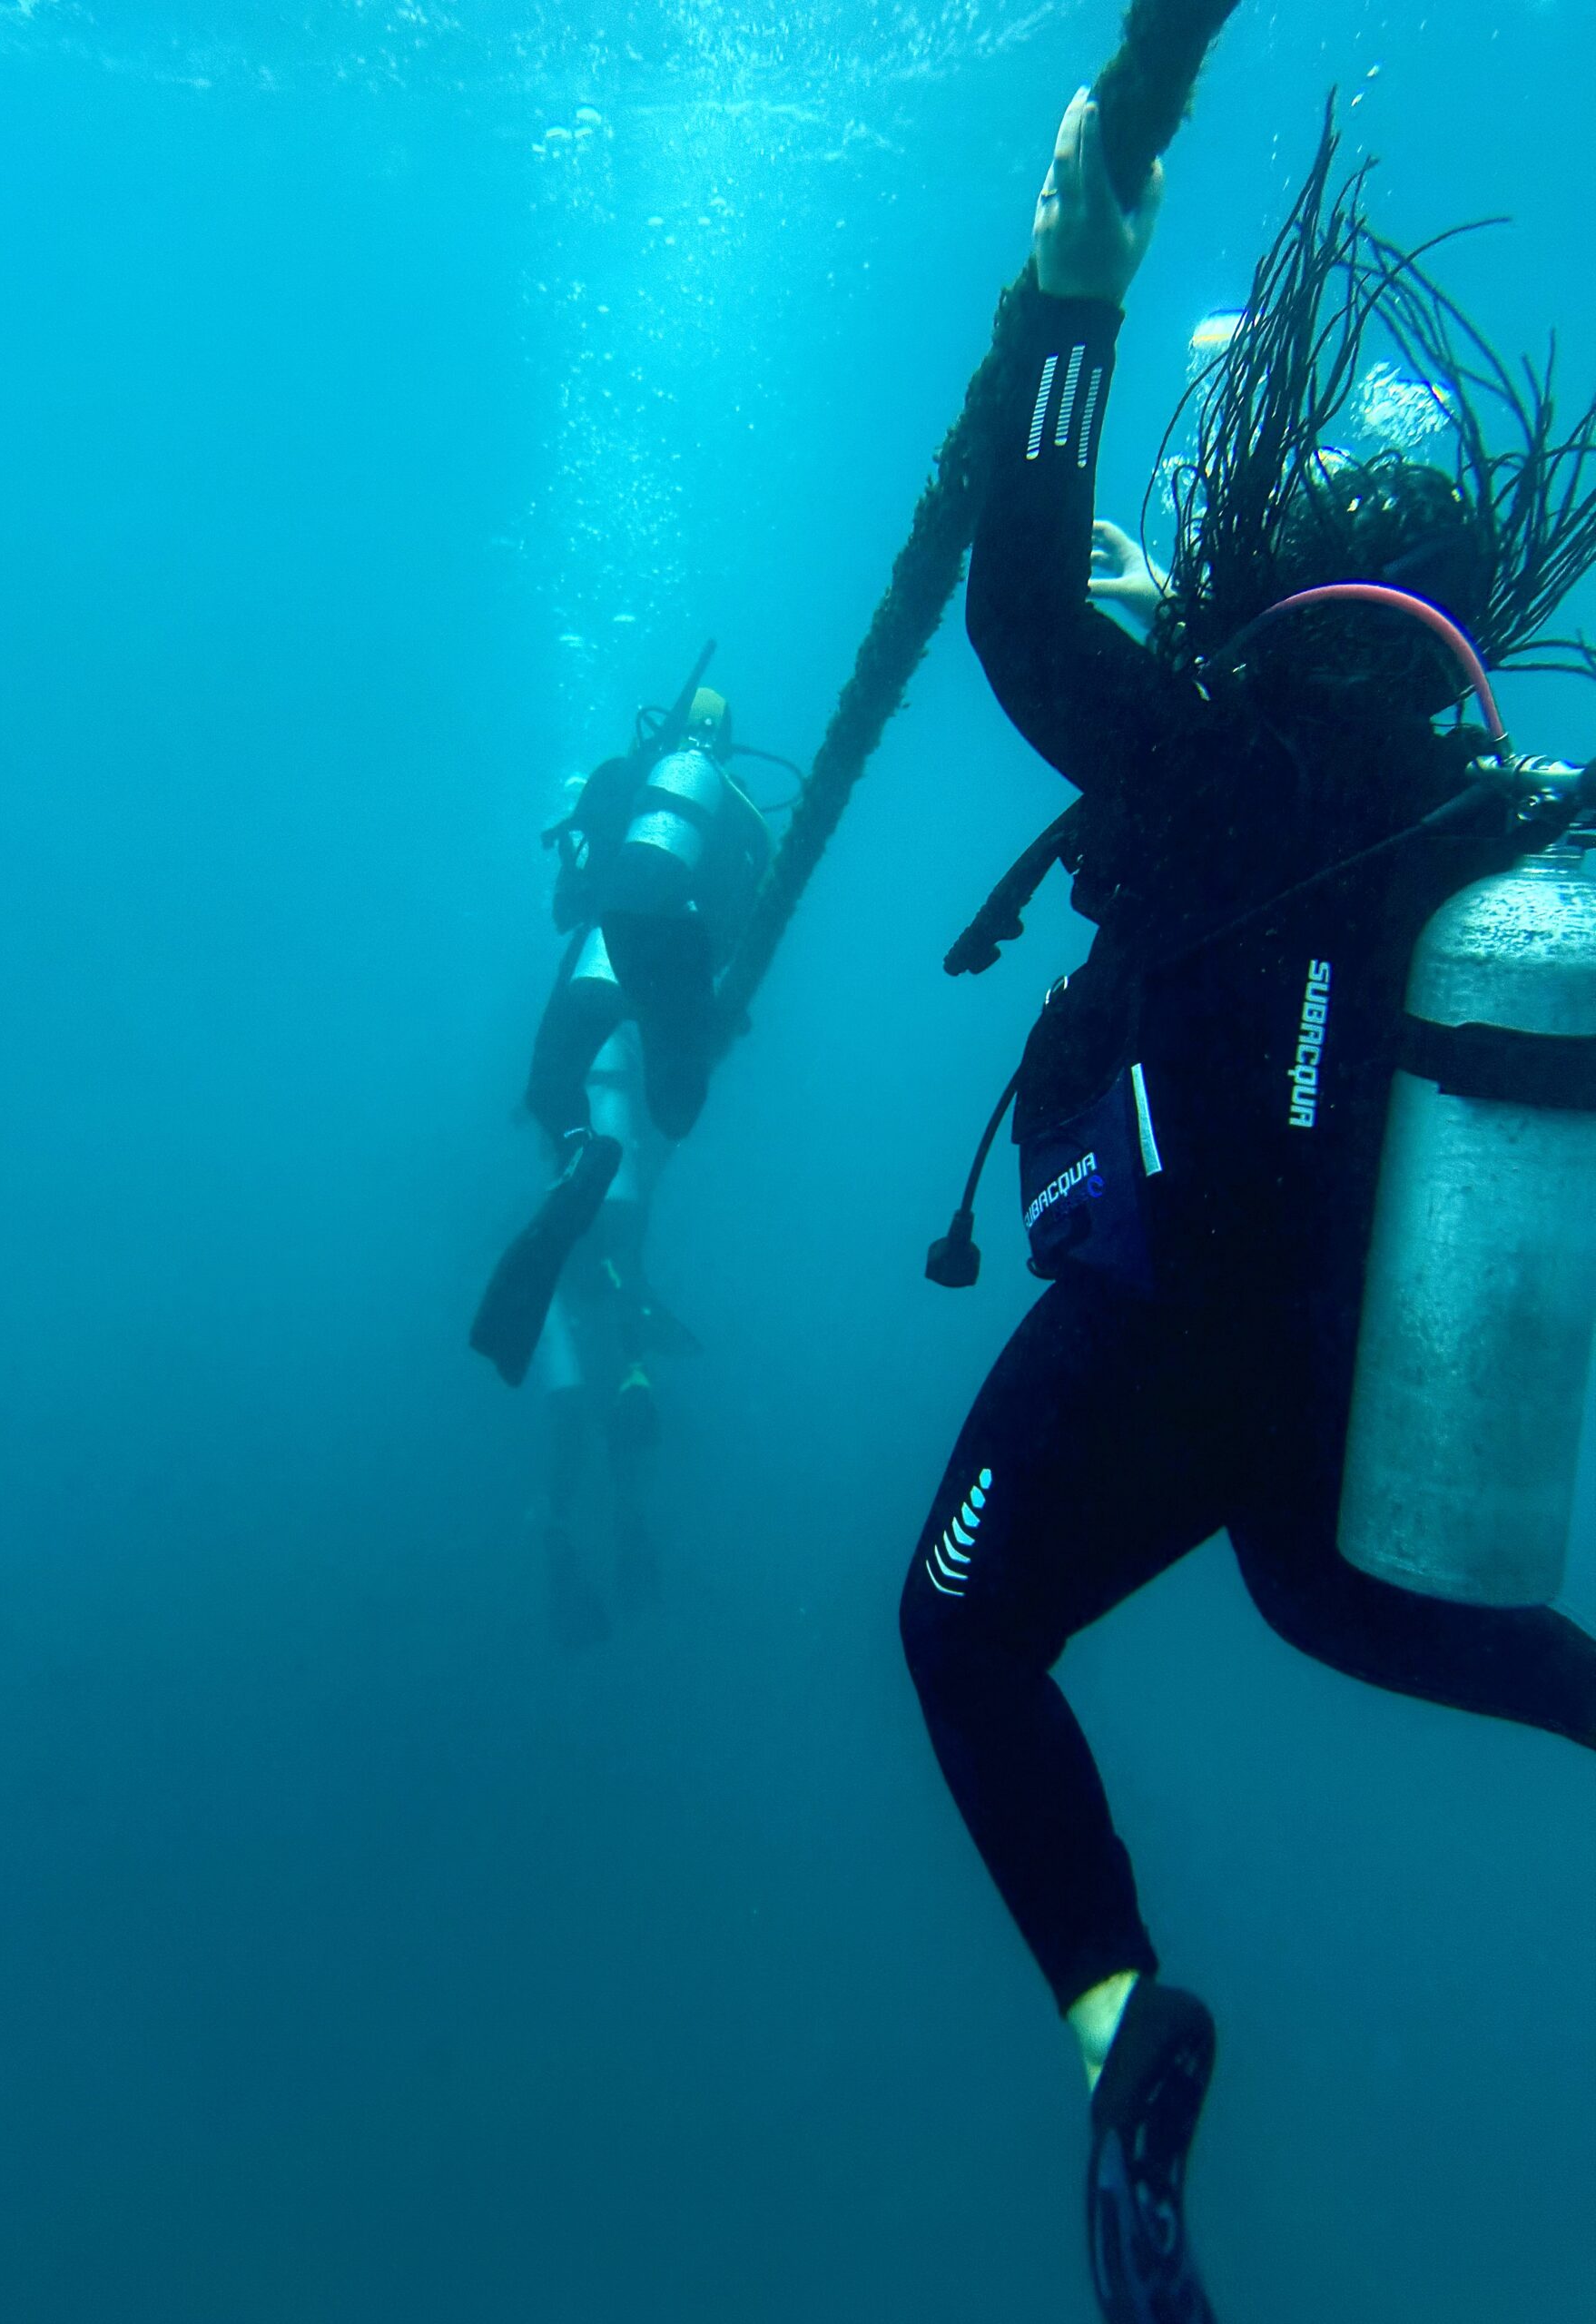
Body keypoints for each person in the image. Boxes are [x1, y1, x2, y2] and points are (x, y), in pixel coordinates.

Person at [900, 85, 1596, 2324]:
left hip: (1171, 1331)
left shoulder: (1218, 737)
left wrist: (1076, 286)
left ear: (1279, 546)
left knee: (961, 1627)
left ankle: (1123, 2026)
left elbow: (1017, 607)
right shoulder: (1484, 812)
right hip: (1342, 1359)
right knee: (1318, 1593)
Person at [471, 678, 771, 1388]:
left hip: (603, 952)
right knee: (672, 1111)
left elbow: (569, 905)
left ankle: (580, 1155)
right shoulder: (743, 812)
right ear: (727, 743)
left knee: (551, 1091)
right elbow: (742, 927)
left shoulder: (620, 778)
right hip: (677, 964)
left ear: (660, 730)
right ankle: (629, 1140)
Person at [531, 1020, 698, 1648]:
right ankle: (628, 1528)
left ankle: (564, 1531)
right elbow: (656, 1147)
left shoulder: (573, 1056)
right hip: (613, 1240)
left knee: (580, 1389)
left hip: (578, 1237)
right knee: (616, 1367)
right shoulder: (627, 1061)